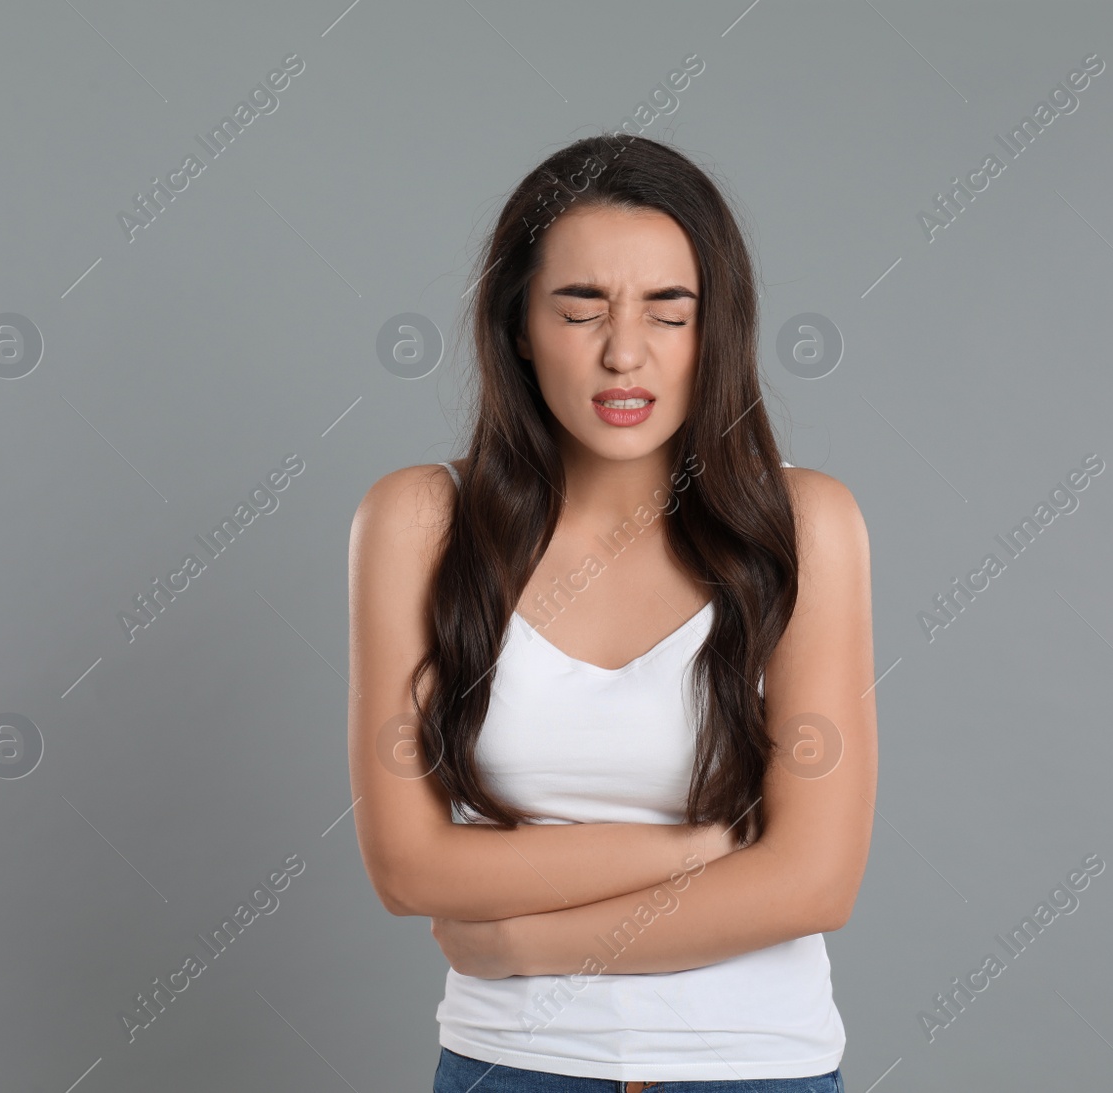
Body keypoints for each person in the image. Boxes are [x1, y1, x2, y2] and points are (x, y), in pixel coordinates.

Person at [347, 132, 877, 1092]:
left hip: (757, 1072)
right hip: (511, 1069)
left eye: (668, 313)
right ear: (517, 325)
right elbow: (409, 867)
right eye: (580, 308)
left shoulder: (806, 525)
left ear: (715, 331)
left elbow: (815, 879)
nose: (624, 353)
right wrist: (700, 847)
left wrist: (514, 939)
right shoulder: (419, 523)